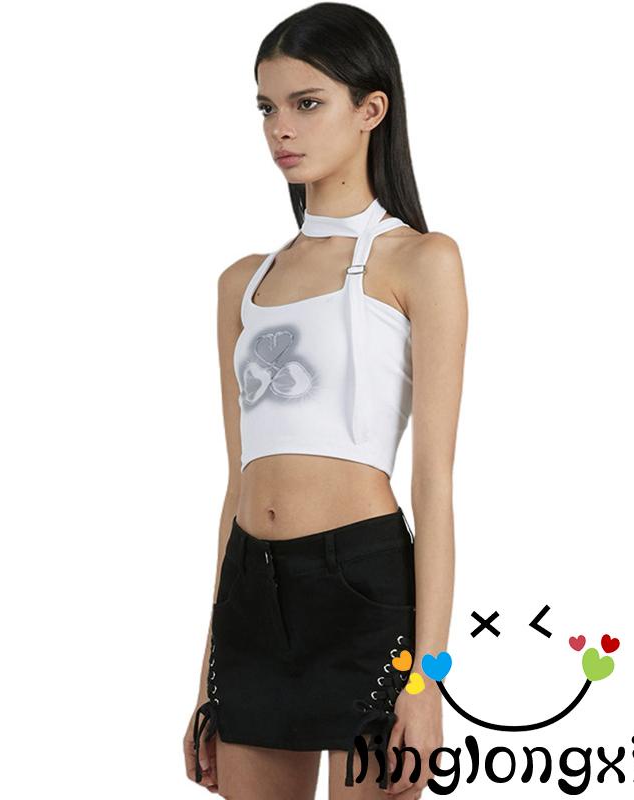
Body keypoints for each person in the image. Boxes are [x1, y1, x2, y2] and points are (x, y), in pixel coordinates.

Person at [184, 4, 467, 798]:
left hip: (362, 589)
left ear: (371, 109)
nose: (281, 128)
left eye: (307, 103)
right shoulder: (243, 283)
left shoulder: (421, 261)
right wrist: (208, 678)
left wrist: (429, 682)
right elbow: (238, 483)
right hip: (251, 595)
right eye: (267, 106)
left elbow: (434, 484)